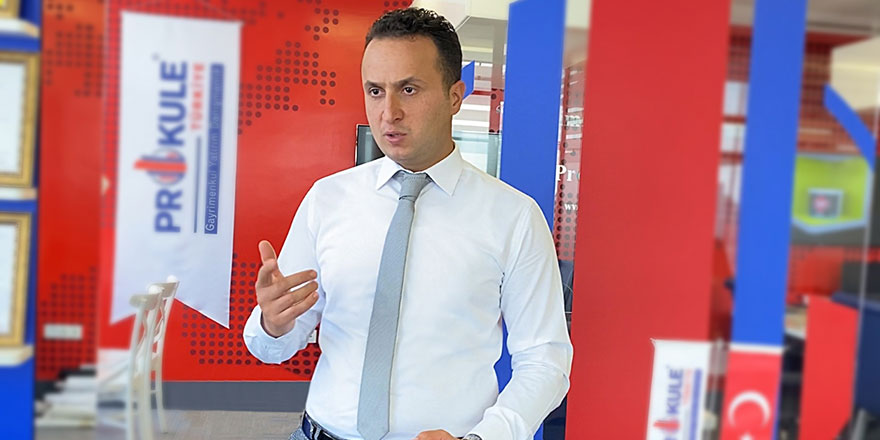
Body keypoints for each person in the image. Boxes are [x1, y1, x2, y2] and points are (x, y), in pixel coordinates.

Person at [243, 7, 572, 440]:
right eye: (375, 91)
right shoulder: (328, 199)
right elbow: (274, 347)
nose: (389, 112)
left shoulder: (513, 217)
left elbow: (544, 360)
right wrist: (272, 323)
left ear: (455, 96)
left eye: (409, 89)